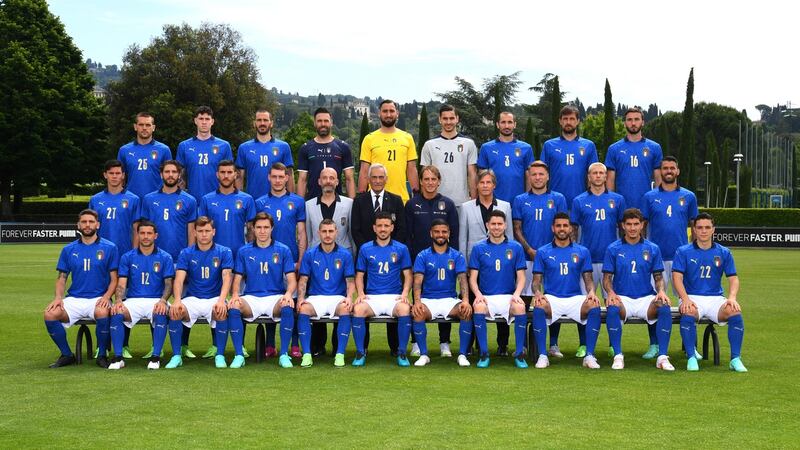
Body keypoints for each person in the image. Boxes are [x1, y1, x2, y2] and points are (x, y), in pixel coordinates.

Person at [601, 208, 675, 371]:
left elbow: (658, 277)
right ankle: (618, 355)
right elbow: (606, 278)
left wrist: (661, 291)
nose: (632, 228)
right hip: (622, 298)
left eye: (636, 224)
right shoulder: (613, 248)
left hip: (645, 298)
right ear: (623, 226)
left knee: (664, 307)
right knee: (612, 308)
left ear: (642, 225)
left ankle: (662, 357)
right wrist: (611, 293)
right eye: (629, 224)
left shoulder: (652, 248)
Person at [641, 156, 699, 359]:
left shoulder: (689, 196)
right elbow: (643, 225)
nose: (668, 171)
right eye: (665, 168)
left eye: (671, 168)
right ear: (660, 171)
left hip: (681, 258)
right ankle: (654, 344)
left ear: (677, 171)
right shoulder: (649, 197)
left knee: (688, 299)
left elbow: (695, 225)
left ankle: (690, 345)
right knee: (656, 300)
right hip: (655, 258)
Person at [44, 209, 119, 368]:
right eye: (84, 222)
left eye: (91, 222)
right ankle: (66, 354)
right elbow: (62, 277)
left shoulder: (110, 247)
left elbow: (114, 280)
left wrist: (106, 298)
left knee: (102, 311)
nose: (87, 225)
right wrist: (58, 298)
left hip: (98, 298)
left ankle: (102, 354)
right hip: (74, 299)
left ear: (97, 225)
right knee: (50, 314)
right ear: (78, 225)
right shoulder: (68, 249)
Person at [673, 212, 747, 372]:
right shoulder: (683, 251)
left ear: (714, 229)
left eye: (707, 227)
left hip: (715, 298)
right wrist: (684, 299)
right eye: (700, 227)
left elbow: (733, 279)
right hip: (691, 297)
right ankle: (691, 357)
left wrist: (732, 297)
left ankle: (735, 359)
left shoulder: (724, 252)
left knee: (735, 312)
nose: (704, 231)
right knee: (688, 312)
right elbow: (677, 278)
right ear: (694, 230)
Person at [198, 160, 257, 358]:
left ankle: (241, 345)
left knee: (237, 301)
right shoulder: (207, 200)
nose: (225, 175)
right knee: (218, 300)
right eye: (222, 172)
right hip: (213, 258)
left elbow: (251, 230)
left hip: (239, 257)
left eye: (229, 172)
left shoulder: (246, 199)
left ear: (235, 175)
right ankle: (216, 344)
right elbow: (202, 228)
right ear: (217, 175)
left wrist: (250, 253)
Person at [140, 160, 198, 359]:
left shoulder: (189, 200)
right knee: (157, 301)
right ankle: (156, 346)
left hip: (180, 259)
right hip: (156, 259)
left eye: (174, 172)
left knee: (183, 301)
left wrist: (190, 256)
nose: (171, 175)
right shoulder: (149, 199)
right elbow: (144, 230)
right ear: (161, 174)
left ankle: (183, 345)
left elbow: (192, 231)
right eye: (167, 172)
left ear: (179, 175)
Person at [511, 161, 568, 356]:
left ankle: (553, 344)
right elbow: (517, 228)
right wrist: (529, 249)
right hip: (528, 257)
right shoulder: (519, 200)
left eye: (541, 174)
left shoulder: (558, 198)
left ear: (547, 176)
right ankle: (526, 344)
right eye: (534, 174)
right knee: (526, 299)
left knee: (554, 298)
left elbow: (562, 227)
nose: (537, 178)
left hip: (554, 258)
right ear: (529, 176)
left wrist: (550, 252)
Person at [530, 213, 601, 369]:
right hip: (552, 298)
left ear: (571, 228)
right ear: (552, 228)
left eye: (565, 226)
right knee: (539, 306)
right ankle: (543, 355)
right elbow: (536, 282)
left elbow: (588, 278)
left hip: (575, 298)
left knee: (594, 306)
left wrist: (591, 292)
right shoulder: (543, 252)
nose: (562, 229)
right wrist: (538, 293)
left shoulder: (582, 251)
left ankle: (589, 355)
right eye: (558, 226)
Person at [228, 212, 297, 369]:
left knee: (288, 305)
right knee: (233, 307)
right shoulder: (244, 251)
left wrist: (287, 294)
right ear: (253, 228)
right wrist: (235, 294)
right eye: (259, 227)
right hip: (252, 297)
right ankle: (239, 355)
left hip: (275, 297)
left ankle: (284, 355)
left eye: (266, 227)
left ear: (272, 228)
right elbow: (237, 279)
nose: (262, 231)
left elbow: (292, 280)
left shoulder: (283, 250)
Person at [350, 163, 406, 354]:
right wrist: (371, 250)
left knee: (394, 298)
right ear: (368, 179)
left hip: (392, 259)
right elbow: (355, 230)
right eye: (373, 177)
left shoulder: (397, 201)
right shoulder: (359, 201)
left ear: (386, 179)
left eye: (381, 177)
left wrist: (388, 250)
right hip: (367, 259)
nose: (377, 181)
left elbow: (401, 229)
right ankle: (362, 348)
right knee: (364, 301)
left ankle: (395, 347)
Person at [164, 216, 233, 369]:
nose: (204, 234)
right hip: (193, 298)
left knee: (221, 311)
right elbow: (179, 279)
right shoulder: (186, 253)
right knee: (175, 311)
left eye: (207, 231)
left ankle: (220, 355)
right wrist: (177, 300)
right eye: (200, 231)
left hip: (214, 297)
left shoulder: (224, 252)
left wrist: (222, 300)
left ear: (213, 232)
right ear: (194, 232)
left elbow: (227, 277)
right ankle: (176, 356)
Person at [405, 165, 459, 357]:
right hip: (419, 262)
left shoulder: (448, 204)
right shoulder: (412, 204)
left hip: (445, 261)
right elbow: (407, 236)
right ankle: (416, 343)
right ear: (420, 181)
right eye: (426, 179)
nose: (429, 183)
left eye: (433, 179)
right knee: (417, 300)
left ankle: (444, 342)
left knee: (446, 297)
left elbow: (454, 234)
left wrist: (453, 260)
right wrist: (409, 262)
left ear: (438, 181)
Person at [458, 169, 513, 354]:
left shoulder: (505, 206)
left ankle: (502, 345)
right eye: (482, 183)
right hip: (475, 264)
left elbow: (510, 236)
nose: (485, 186)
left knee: (503, 301)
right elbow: (462, 238)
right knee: (474, 302)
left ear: (494, 185)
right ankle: (471, 344)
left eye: (489, 182)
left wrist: (510, 263)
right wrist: (463, 265)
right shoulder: (466, 207)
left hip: (500, 263)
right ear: (477, 185)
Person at [255, 162, 307, 357]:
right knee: (271, 298)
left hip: (291, 260)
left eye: (281, 176)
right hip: (267, 260)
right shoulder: (260, 202)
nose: (277, 180)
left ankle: (294, 344)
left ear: (287, 178)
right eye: (274, 176)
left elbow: (301, 233)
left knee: (291, 302)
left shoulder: (297, 201)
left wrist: (300, 260)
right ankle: (269, 344)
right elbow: (255, 233)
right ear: (269, 178)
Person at [108, 220, 175, 370]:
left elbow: (169, 284)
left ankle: (155, 357)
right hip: (133, 300)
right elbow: (121, 283)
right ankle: (118, 357)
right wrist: (118, 300)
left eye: (149, 233)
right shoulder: (127, 257)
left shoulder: (165, 257)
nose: (145, 236)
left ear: (155, 236)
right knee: (117, 312)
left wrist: (163, 300)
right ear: (137, 235)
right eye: (142, 233)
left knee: (161, 312)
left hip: (156, 299)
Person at [468, 210, 528, 368]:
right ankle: (484, 354)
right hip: (487, 297)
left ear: (505, 225)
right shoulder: (478, 248)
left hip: (508, 296)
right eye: (493, 224)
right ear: (487, 225)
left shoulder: (515, 247)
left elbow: (521, 277)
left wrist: (516, 294)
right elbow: (472, 278)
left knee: (520, 307)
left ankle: (520, 354)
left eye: (499, 224)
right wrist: (478, 294)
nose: (496, 227)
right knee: (478, 307)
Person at [304, 167, 355, 355]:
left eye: (331, 178)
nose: (328, 181)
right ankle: (318, 346)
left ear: (337, 182)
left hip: (342, 258)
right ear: (319, 181)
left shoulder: (349, 204)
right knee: (316, 297)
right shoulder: (308, 205)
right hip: (316, 258)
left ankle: (337, 346)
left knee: (339, 299)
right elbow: (309, 234)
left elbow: (350, 232)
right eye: (324, 177)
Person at [351, 212, 413, 367]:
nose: (383, 229)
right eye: (379, 226)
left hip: (394, 297)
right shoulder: (365, 248)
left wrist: (405, 294)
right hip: (373, 297)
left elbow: (408, 275)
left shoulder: (401, 248)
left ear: (392, 228)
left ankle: (402, 352)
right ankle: (360, 352)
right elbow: (359, 275)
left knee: (405, 309)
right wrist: (361, 294)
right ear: (374, 228)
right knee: (358, 310)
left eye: (386, 226)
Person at [411, 219, 472, 367]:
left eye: (444, 231)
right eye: (437, 231)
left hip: (449, 300)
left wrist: (465, 300)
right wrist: (417, 301)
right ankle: (424, 354)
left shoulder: (457, 255)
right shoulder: (422, 255)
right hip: (428, 300)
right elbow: (417, 281)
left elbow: (463, 280)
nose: (440, 234)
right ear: (431, 233)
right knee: (418, 313)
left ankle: (462, 355)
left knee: (466, 311)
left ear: (449, 233)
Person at [297, 219, 356, 368]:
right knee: (303, 309)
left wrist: (349, 298)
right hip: (316, 297)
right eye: (324, 231)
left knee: (345, 308)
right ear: (319, 233)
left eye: (331, 231)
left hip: (337, 298)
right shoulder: (310, 254)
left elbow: (350, 281)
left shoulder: (345, 254)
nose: (327, 235)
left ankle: (340, 354)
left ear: (336, 232)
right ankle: (307, 355)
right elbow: (303, 279)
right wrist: (301, 299)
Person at [357, 99, 419, 203]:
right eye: (385, 111)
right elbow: (364, 170)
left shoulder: (407, 138)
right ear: (379, 114)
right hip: (375, 201)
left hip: (401, 199)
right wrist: (361, 198)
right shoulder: (369, 139)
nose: (388, 114)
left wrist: (417, 196)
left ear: (397, 113)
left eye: (392, 111)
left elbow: (412, 169)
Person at [605, 106, 663, 210]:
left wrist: (658, 201)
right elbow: (610, 181)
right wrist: (611, 206)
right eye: (629, 120)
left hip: (647, 206)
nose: (633, 123)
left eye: (636, 119)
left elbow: (658, 179)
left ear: (643, 122)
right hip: (622, 207)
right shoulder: (614, 149)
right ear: (624, 123)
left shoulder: (654, 147)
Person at [540, 105, 599, 208]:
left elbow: (593, 176)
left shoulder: (588, 145)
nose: (568, 122)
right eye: (565, 119)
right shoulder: (549, 145)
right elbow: (541, 174)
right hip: (555, 203)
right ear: (560, 121)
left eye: (572, 119)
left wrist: (591, 199)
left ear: (578, 121)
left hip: (581, 203)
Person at [420, 104, 478, 206]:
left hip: (462, 202)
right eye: (445, 118)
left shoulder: (468, 143)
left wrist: (474, 202)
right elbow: (424, 175)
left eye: (451, 118)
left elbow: (472, 174)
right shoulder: (429, 145)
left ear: (457, 119)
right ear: (440, 120)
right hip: (435, 202)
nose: (448, 122)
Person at [296, 107, 355, 199]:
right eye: (319, 121)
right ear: (314, 123)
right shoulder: (305, 148)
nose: (323, 124)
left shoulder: (343, 147)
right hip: (312, 202)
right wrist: (299, 206)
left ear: (331, 123)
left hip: (337, 203)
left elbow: (349, 179)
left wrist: (352, 204)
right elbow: (302, 180)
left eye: (326, 121)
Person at [235, 109, 294, 199]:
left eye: (265, 120)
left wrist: (291, 199)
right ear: (254, 123)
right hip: (253, 201)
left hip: (278, 201)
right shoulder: (244, 148)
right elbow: (239, 178)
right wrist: (239, 200)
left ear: (271, 123)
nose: (262, 123)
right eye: (259, 120)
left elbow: (289, 175)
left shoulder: (283, 146)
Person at [176, 105, 233, 198]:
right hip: (192, 200)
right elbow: (180, 175)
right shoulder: (184, 146)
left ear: (212, 122)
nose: (204, 122)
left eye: (207, 119)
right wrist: (182, 198)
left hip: (217, 199)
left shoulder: (224, 146)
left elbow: (230, 175)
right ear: (195, 121)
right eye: (201, 118)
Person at [476, 112, 534, 203]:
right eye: (503, 122)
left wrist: (527, 199)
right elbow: (481, 176)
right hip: (493, 202)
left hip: (517, 202)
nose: (506, 126)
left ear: (515, 124)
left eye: (510, 122)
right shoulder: (486, 148)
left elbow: (529, 175)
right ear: (497, 125)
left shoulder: (526, 148)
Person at [89, 160, 141, 254]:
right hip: (100, 252)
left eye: (117, 173)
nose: (114, 176)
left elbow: (136, 230)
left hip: (125, 252)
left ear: (123, 175)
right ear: (105, 175)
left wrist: (134, 254)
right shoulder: (95, 199)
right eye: (111, 173)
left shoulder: (134, 199)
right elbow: (91, 228)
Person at [117, 112, 172, 199]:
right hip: (131, 200)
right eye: (141, 124)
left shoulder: (164, 150)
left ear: (153, 127)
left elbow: (169, 177)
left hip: (157, 200)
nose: (144, 128)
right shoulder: (124, 150)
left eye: (148, 125)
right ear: (135, 127)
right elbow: (119, 178)